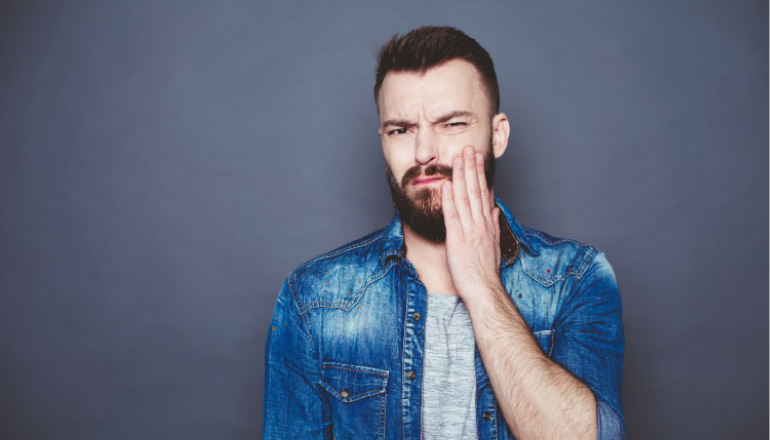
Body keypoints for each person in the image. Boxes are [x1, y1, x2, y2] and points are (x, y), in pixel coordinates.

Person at [262, 26, 625, 440]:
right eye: (401, 129)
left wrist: (481, 284)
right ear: (382, 140)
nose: (423, 153)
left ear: (497, 134)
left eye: (451, 124)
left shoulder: (576, 279)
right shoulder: (312, 299)